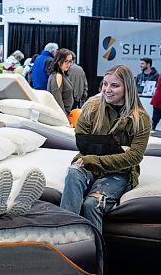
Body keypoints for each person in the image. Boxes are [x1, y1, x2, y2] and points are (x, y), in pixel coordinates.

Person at [60, 65, 151, 232]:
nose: (107, 90)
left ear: (127, 88)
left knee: (92, 204)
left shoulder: (140, 119)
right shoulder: (92, 108)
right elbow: (82, 141)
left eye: (115, 85)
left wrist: (94, 157)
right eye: (105, 84)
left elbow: (134, 157)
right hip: (88, 164)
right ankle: (66, 238)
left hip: (120, 172)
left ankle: (94, 255)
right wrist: (115, 149)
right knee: (73, 172)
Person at [47, 48, 74, 116]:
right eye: (66, 61)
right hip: (61, 115)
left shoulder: (61, 75)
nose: (69, 64)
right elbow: (57, 101)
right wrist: (65, 119)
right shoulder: (58, 76)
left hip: (64, 114)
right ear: (59, 61)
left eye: (70, 61)